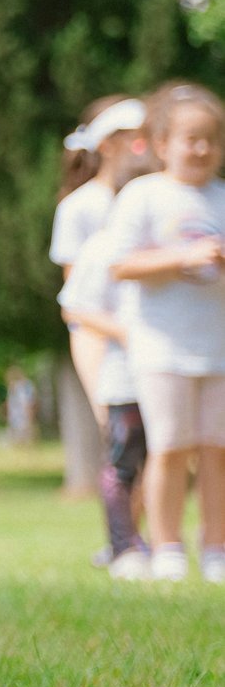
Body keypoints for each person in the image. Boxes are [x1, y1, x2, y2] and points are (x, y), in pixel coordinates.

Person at [105, 81, 225, 585]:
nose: (200, 149)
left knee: (217, 449)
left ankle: (217, 548)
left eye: (211, 139)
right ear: (161, 145)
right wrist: (183, 258)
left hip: (217, 349)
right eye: (189, 138)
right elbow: (120, 265)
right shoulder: (144, 196)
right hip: (162, 349)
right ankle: (168, 547)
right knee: (171, 447)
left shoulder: (221, 197)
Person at [59, 157, 156, 578]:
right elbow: (74, 307)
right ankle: (123, 545)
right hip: (126, 377)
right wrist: (125, 333)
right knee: (124, 458)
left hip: (173, 371)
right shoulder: (104, 245)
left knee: (163, 458)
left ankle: (156, 541)